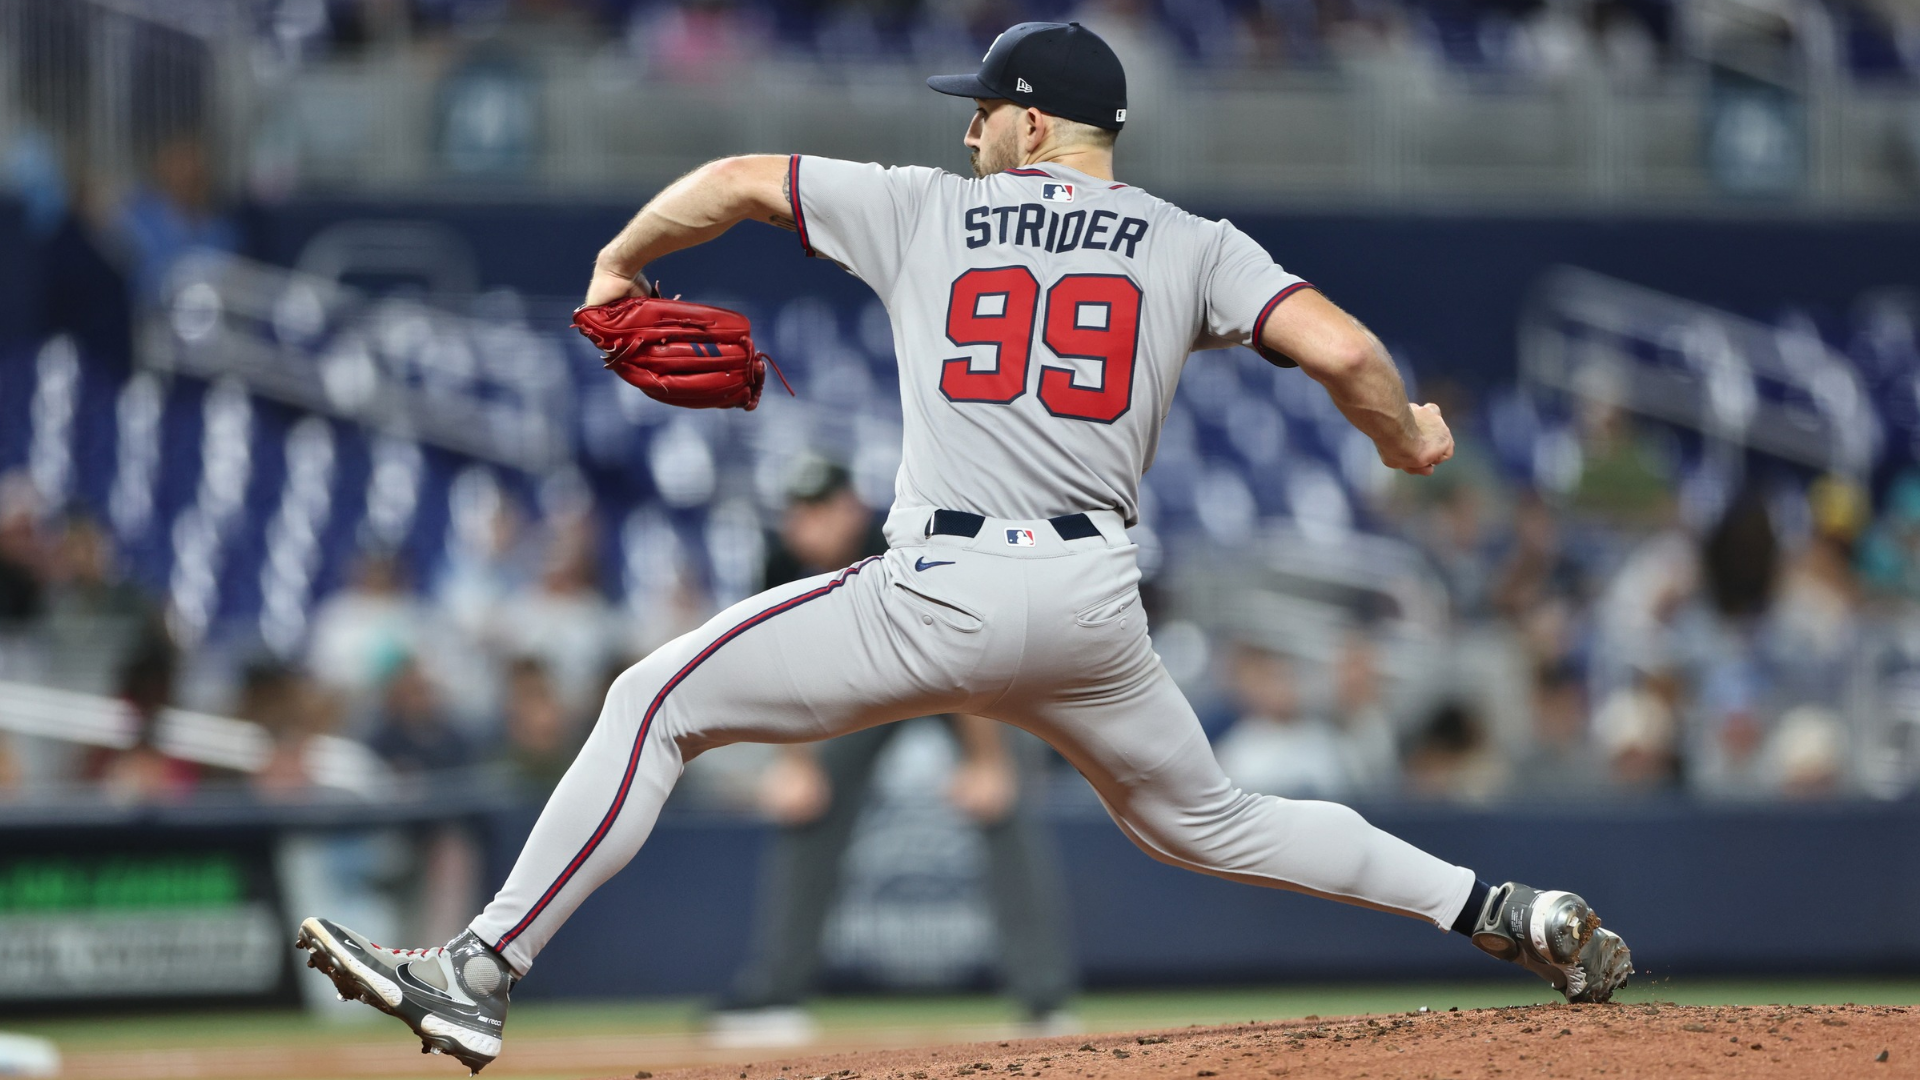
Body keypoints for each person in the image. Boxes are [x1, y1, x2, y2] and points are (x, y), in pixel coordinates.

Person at [296, 23, 1631, 1072]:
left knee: (654, 701)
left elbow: (736, 183)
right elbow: (1342, 350)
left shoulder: (928, 208)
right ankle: (1503, 910)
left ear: (1033, 118)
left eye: (982, 109)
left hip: (943, 586)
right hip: (1097, 602)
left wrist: (617, 263)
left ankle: (478, 975)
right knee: (1212, 818)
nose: (973, 129)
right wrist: (1403, 440)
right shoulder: (1193, 244)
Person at [714, 458, 1075, 1037]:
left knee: (1000, 803)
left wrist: (986, 763)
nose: (808, 526)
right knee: (812, 805)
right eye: (799, 513)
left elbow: (961, 656)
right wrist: (794, 764)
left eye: (821, 510)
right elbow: (781, 670)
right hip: (868, 684)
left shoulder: (900, 547)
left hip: (956, 676)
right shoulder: (781, 563)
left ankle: (1044, 1000)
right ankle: (775, 995)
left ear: (851, 508)